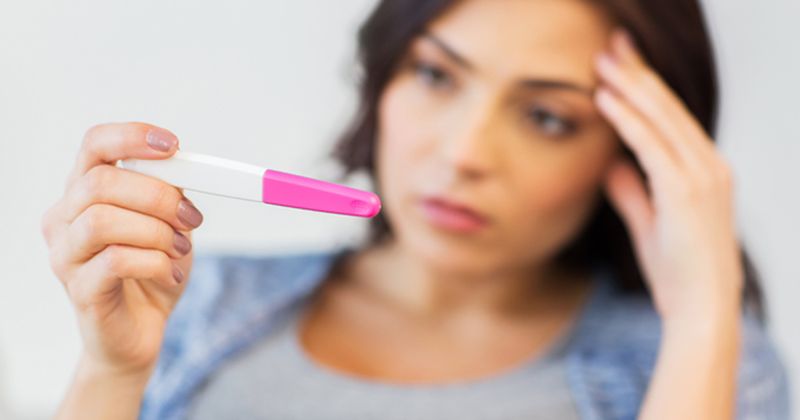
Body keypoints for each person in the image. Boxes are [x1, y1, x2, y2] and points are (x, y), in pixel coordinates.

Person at [42, 0, 790, 419]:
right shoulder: (192, 302)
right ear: (382, 81)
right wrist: (110, 372)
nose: (465, 152)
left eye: (548, 117)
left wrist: (701, 315)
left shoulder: (708, 362)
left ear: (629, 158)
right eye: (436, 74)